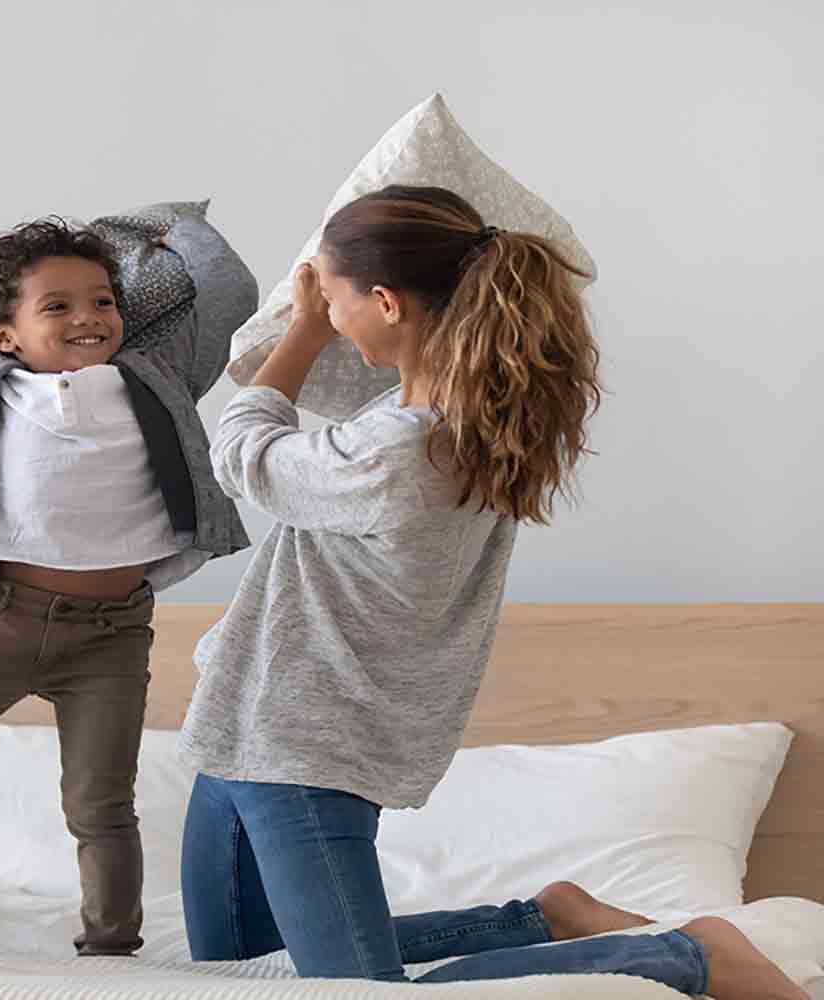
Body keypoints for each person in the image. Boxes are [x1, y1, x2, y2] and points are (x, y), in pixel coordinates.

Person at [178, 184, 804, 999]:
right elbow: (326, 411)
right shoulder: (452, 424)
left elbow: (243, 454)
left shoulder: (397, 454)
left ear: (386, 303)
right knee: (238, 964)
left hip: (305, 746)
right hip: (242, 724)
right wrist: (333, 293)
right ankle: (539, 921)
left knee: (354, 989)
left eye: (334, 302)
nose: (326, 318)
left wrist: (295, 330)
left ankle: (694, 956)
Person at [0, 211, 255, 955]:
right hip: (0, 622)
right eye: (57, 306)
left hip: (113, 633)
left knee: (102, 807)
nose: (89, 318)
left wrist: (162, 222)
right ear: (5, 334)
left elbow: (229, 290)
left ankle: (110, 954)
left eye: (102, 301)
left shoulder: (160, 376)